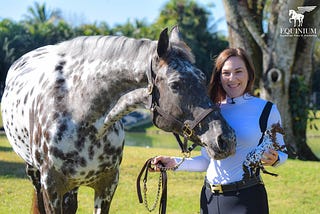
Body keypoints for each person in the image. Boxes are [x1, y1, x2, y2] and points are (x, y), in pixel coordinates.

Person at [151, 48, 288, 214]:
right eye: (226, 73)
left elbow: (282, 153)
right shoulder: (212, 111)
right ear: (219, 76)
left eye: (238, 72)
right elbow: (206, 161)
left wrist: (274, 159)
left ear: (249, 74)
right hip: (209, 199)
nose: (232, 78)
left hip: (247, 200)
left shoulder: (266, 110)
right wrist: (173, 162)